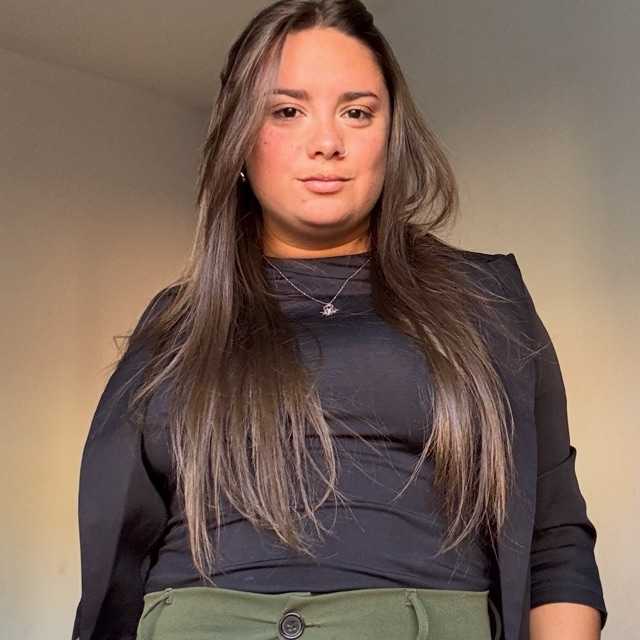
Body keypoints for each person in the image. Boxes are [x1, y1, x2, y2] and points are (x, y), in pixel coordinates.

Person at [71, 1, 607, 639]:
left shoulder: (484, 300)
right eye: (286, 111)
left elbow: (554, 539)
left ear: (391, 136)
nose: (326, 142)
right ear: (239, 138)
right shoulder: (176, 322)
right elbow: (122, 555)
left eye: (356, 112)